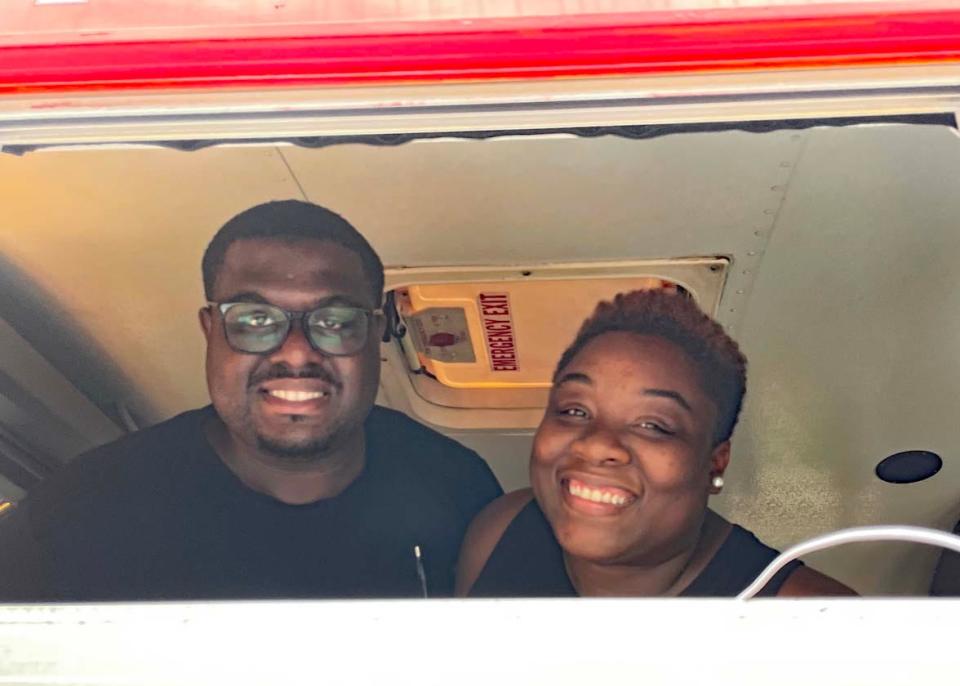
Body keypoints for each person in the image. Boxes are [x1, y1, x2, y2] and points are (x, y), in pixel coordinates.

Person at [0, 200, 501, 601]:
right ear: (210, 331)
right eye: (255, 321)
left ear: (374, 335)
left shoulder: (455, 485)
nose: (298, 351)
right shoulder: (80, 514)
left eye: (334, 321)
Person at [457, 289, 853, 597]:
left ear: (715, 462)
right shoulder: (502, 528)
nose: (596, 445)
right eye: (574, 411)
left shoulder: (816, 624)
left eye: (653, 425)